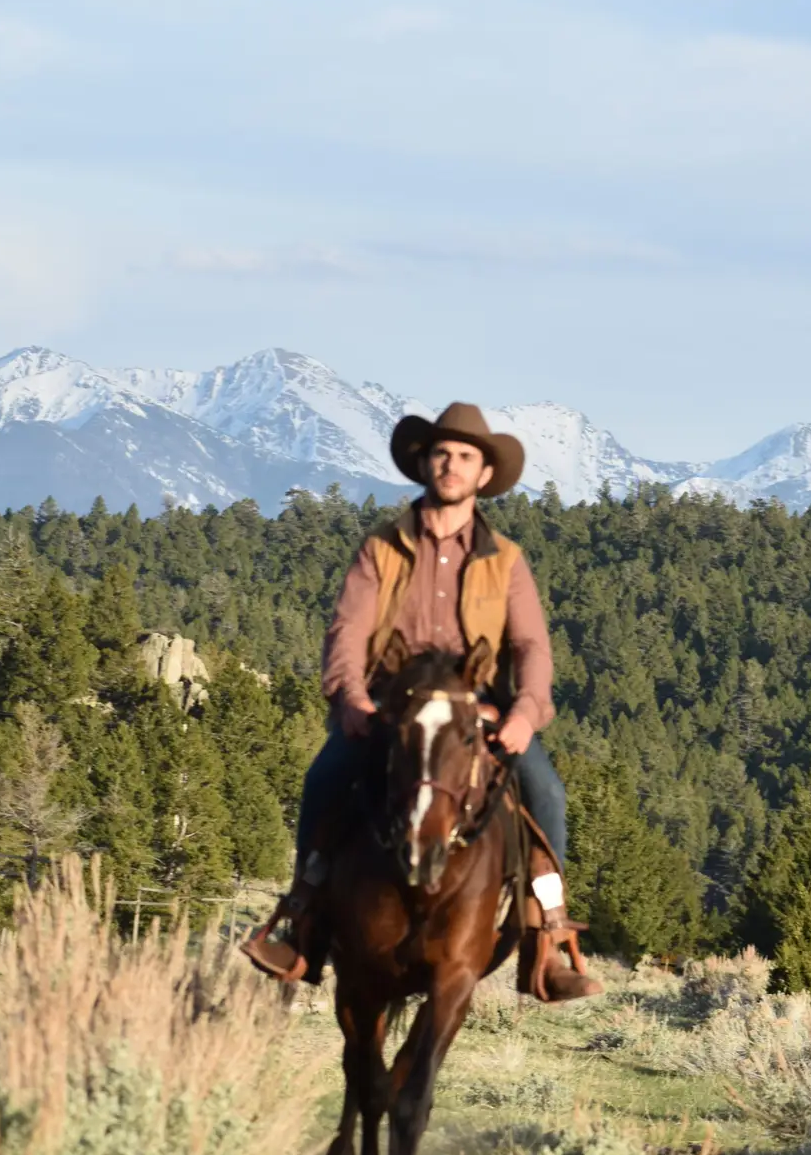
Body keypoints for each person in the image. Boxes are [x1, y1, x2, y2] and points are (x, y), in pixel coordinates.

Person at [243, 401, 599, 1000]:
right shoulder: (380, 548)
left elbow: (532, 645)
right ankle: (301, 919)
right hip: (390, 707)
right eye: (442, 454)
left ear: (484, 475)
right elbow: (347, 633)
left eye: (465, 456)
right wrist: (352, 700)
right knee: (325, 780)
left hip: (476, 709)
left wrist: (524, 713)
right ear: (423, 464)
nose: (451, 465)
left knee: (547, 795)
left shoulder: (505, 561)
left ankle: (547, 937)